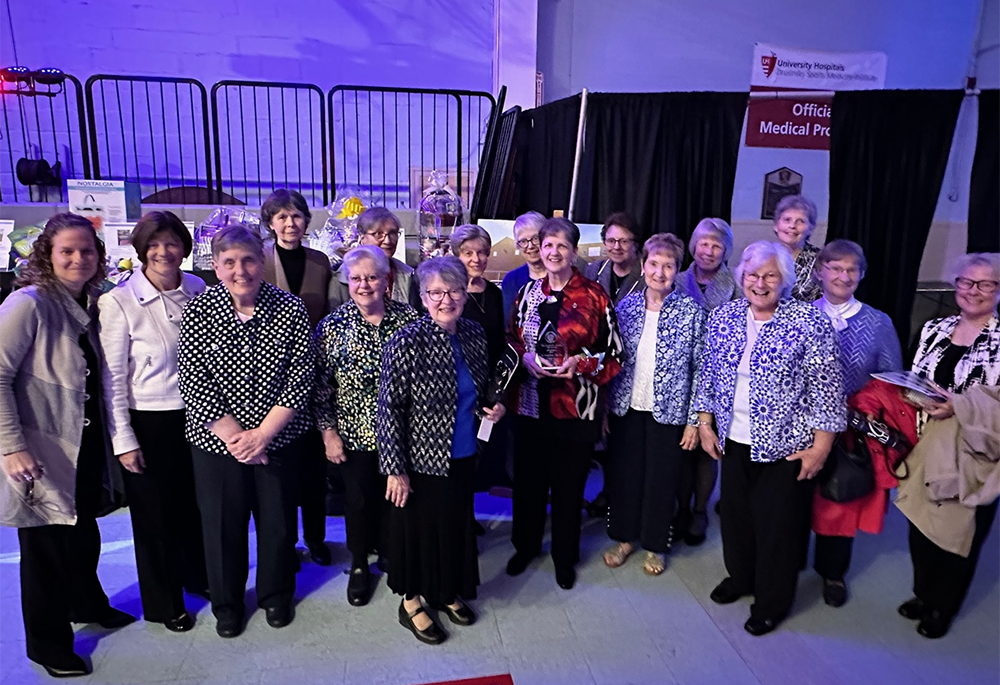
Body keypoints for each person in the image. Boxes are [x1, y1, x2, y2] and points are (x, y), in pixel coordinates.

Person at [0, 213, 132, 678]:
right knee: (45, 548)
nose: (79, 258)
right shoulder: (28, 304)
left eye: (87, 251)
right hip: (39, 446)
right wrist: (12, 447)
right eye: (67, 251)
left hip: (81, 441)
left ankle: (87, 604)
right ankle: (48, 644)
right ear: (48, 256)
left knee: (82, 533)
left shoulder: (91, 302)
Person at [695, 240, 845, 636]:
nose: (759, 283)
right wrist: (705, 423)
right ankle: (741, 578)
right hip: (733, 439)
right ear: (740, 276)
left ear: (786, 280)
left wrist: (821, 448)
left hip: (787, 447)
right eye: (752, 274)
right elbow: (708, 375)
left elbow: (827, 389)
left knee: (777, 528)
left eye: (770, 276)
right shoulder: (725, 316)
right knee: (737, 519)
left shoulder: (808, 321)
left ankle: (772, 601)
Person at [178, 224, 315, 638]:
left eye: (250, 259)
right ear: (216, 267)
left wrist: (263, 436)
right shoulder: (199, 312)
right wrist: (239, 439)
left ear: (263, 261)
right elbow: (193, 381)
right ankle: (228, 605)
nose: (242, 270)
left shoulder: (289, 309)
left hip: (277, 440)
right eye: (230, 262)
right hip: (217, 445)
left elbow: (300, 377)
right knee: (222, 527)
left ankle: (275, 596)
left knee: (277, 524)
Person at [376, 256, 505, 645]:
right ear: (423, 296)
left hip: (464, 452)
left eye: (453, 291)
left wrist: (495, 406)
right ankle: (412, 601)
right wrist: (395, 468)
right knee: (417, 532)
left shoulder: (472, 334)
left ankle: (446, 590)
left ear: (466, 294)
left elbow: (481, 388)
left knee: (453, 526)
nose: (445, 299)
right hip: (418, 460)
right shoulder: (405, 340)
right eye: (435, 292)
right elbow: (389, 408)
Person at [98, 211, 209, 634]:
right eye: (154, 245)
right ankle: (164, 603)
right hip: (147, 420)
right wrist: (123, 438)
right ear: (141, 249)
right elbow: (112, 378)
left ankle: (197, 578)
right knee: (153, 517)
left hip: (196, 415)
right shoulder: (118, 301)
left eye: (172, 243)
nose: (164, 252)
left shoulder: (197, 289)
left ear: (184, 247)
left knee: (192, 508)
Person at [506, 217, 623, 590]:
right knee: (528, 483)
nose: (553, 252)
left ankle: (563, 556)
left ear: (573, 252)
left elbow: (616, 354)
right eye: (547, 245)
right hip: (530, 404)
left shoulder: (594, 296)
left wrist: (581, 364)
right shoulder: (527, 294)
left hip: (575, 408)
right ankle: (525, 546)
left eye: (561, 246)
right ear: (539, 249)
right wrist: (524, 358)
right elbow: (512, 341)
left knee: (569, 486)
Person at [898, 252, 1000, 639]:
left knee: (959, 533)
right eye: (965, 282)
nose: (973, 291)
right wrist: (917, 396)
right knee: (921, 525)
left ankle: (944, 606)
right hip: (926, 442)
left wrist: (958, 405)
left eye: (985, 283)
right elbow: (915, 376)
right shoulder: (934, 328)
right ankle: (924, 594)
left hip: (978, 452)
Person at [315, 245, 419, 607]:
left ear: (387, 280)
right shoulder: (332, 327)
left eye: (372, 277)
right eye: (356, 278)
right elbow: (321, 386)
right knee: (358, 502)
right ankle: (359, 564)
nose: (364, 285)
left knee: (398, 500)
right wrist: (328, 433)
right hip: (353, 434)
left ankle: (393, 554)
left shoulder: (411, 321)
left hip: (402, 435)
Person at [603, 234, 705, 576]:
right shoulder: (626, 307)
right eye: (653, 264)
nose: (659, 272)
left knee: (662, 480)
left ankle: (656, 545)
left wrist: (694, 421)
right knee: (625, 476)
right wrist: (604, 408)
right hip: (625, 408)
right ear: (642, 265)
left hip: (670, 412)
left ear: (678, 270)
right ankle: (624, 538)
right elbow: (612, 362)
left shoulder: (691, 311)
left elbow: (701, 369)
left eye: (668, 265)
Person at [808, 240, 902, 608]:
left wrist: (860, 407)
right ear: (820, 272)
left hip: (851, 431)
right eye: (835, 268)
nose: (843, 276)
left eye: (851, 269)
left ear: (861, 275)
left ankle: (832, 572)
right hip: (802, 424)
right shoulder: (801, 315)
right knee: (796, 498)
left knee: (839, 501)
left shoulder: (879, 323)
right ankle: (789, 561)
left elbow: (892, 380)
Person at [260, 188, 333, 566]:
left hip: (316, 375)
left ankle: (317, 539)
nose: (290, 224)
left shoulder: (321, 263)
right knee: (281, 471)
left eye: (297, 216)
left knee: (313, 468)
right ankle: (284, 542)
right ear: (270, 223)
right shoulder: (258, 261)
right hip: (273, 377)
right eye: (282, 217)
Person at [674, 217, 739, 546]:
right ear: (693, 246)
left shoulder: (736, 284)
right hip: (677, 375)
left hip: (717, 376)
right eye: (704, 243)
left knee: (706, 447)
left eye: (717, 245)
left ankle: (699, 510)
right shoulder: (676, 278)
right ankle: (680, 508)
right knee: (680, 447)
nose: (709, 251)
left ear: (726, 250)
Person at [330, 207, 421, 310]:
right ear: (362, 238)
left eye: (392, 233)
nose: (387, 241)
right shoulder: (341, 277)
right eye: (378, 234)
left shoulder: (408, 274)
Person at [452, 224, 505, 367]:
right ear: (457, 256)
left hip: (491, 375)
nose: (476, 259)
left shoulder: (495, 293)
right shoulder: (448, 295)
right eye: (468, 253)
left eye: (481, 252)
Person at [585, 211, 643, 307]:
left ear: (635, 244)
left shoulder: (648, 276)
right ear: (604, 242)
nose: (616, 247)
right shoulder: (593, 271)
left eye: (624, 241)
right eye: (611, 241)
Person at [772, 195, 822, 302]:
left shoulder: (821, 260)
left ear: (811, 228)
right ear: (776, 225)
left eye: (800, 221)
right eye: (787, 220)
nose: (792, 226)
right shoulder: (763, 255)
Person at [502, 212, 546, 323]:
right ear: (517, 245)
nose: (530, 246)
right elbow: (508, 324)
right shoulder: (511, 280)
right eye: (523, 241)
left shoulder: (563, 276)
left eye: (536, 238)